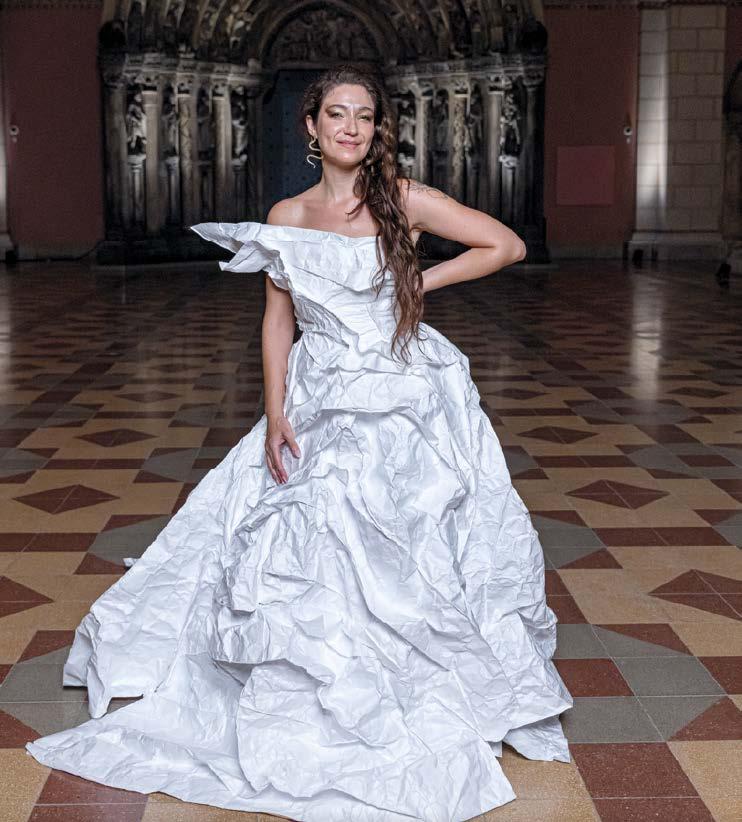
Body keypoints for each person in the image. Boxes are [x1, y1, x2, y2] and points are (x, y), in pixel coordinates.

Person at [25, 64, 572, 822]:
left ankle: (405, 678)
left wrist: (418, 285)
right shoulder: (287, 213)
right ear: (311, 127)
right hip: (318, 392)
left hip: (399, 387)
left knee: (401, 527)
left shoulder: (403, 198)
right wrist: (277, 411)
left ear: (377, 130)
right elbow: (277, 320)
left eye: (365, 116)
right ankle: (320, 672)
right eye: (337, 114)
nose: (352, 127)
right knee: (306, 528)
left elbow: (505, 245)